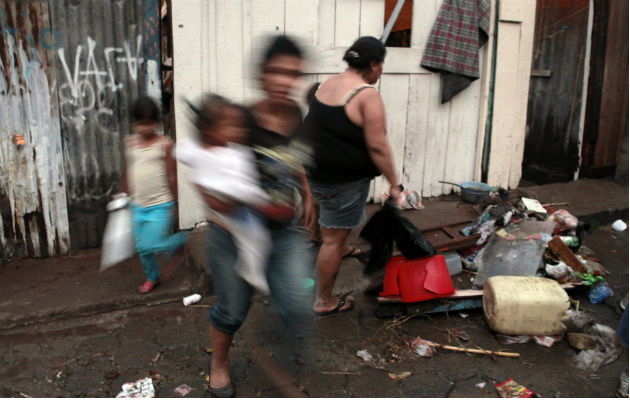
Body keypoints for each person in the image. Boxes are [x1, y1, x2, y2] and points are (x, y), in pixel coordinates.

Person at [201, 35, 314, 398]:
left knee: (298, 303)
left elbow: (293, 160)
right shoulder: (240, 119)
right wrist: (226, 204)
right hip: (236, 233)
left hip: (284, 230)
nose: (285, 81)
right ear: (263, 74)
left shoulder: (296, 114)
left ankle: (275, 353)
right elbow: (206, 168)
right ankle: (218, 364)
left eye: (293, 74)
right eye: (277, 72)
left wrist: (307, 194)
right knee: (233, 310)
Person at [301, 36, 401, 316]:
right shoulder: (366, 95)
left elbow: (323, 128)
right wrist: (395, 184)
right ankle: (324, 300)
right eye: (381, 65)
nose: (380, 72)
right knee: (331, 239)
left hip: (315, 173)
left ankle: (339, 244)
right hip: (341, 181)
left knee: (332, 227)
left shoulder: (328, 83)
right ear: (372, 64)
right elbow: (378, 146)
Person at [176, 94, 272, 294]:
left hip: (236, 208)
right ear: (209, 130)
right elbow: (181, 151)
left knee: (257, 238)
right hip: (226, 210)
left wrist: (254, 197)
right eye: (230, 126)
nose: (239, 131)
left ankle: (252, 268)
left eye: (238, 125)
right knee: (255, 237)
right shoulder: (203, 151)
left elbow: (247, 181)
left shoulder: (237, 152)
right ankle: (252, 270)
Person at [120, 96, 189, 294]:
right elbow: (129, 169)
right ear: (134, 124)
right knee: (142, 248)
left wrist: (175, 203)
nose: (145, 128)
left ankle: (182, 241)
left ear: (158, 123)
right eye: (141, 123)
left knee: (151, 243)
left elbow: (171, 175)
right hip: (137, 204)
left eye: (149, 123)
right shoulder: (130, 143)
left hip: (160, 204)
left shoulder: (165, 144)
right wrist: (123, 192)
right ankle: (152, 277)